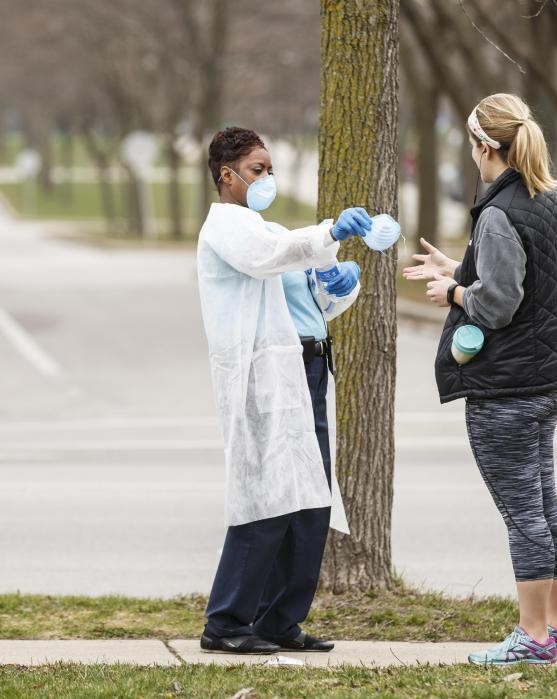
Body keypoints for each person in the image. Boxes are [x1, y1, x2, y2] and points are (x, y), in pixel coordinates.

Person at [403, 93, 557, 666]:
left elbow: (500, 302)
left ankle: (532, 638)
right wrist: (458, 267)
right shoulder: (546, 202)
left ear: (485, 147)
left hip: (507, 385)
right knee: (545, 505)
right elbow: (524, 276)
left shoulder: (500, 210)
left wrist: (453, 292)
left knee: (523, 513)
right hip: (545, 378)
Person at [196, 126, 369, 654]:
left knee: (311, 503)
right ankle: (225, 622)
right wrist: (329, 232)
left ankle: (279, 620)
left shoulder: (264, 228)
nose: (267, 178)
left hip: (306, 373)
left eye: (271, 169)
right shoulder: (227, 228)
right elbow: (267, 258)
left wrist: (339, 283)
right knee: (266, 500)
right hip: (261, 380)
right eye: (257, 169)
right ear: (226, 176)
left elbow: (306, 296)